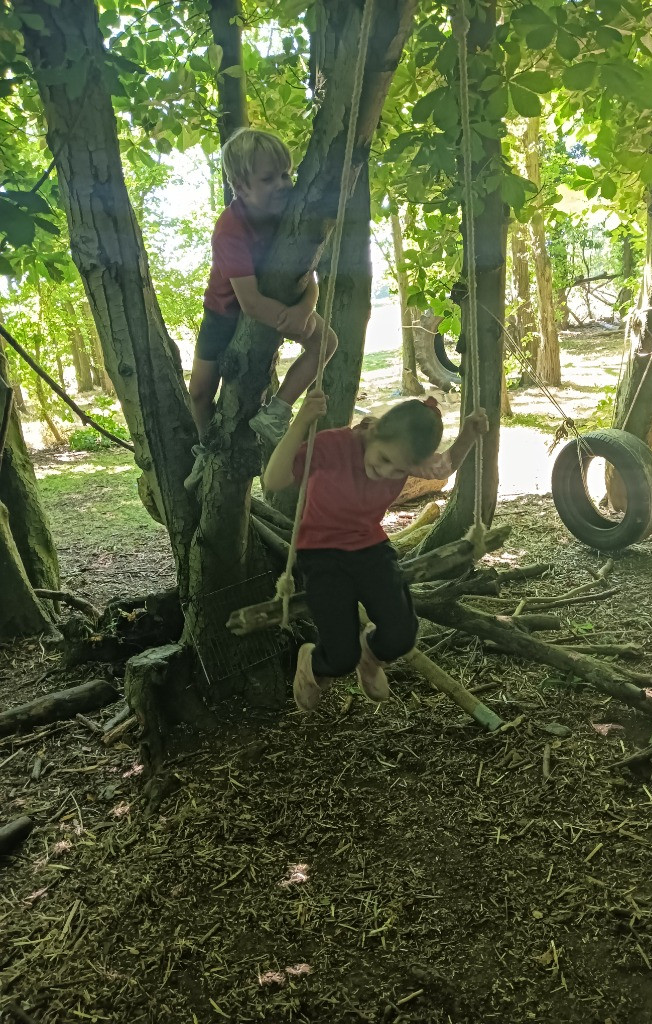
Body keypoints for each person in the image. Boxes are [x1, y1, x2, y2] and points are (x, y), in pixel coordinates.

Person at [263, 392, 489, 711]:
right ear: (374, 432)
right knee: (340, 657)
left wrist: (468, 433)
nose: (385, 473)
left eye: (399, 470)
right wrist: (302, 420)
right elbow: (274, 480)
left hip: (369, 547)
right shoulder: (333, 446)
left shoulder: (405, 453)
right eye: (383, 459)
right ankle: (313, 664)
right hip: (321, 552)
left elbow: (443, 468)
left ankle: (371, 655)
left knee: (401, 634)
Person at [185, 127, 338, 489]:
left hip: (278, 304)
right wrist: (292, 321)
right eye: (269, 178)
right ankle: (209, 449)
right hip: (225, 315)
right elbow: (249, 302)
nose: (284, 184)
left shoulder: (290, 217)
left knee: (327, 343)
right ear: (241, 186)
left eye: (286, 174)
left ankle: (278, 411)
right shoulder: (230, 229)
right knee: (199, 392)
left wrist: (304, 310)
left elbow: (307, 275)